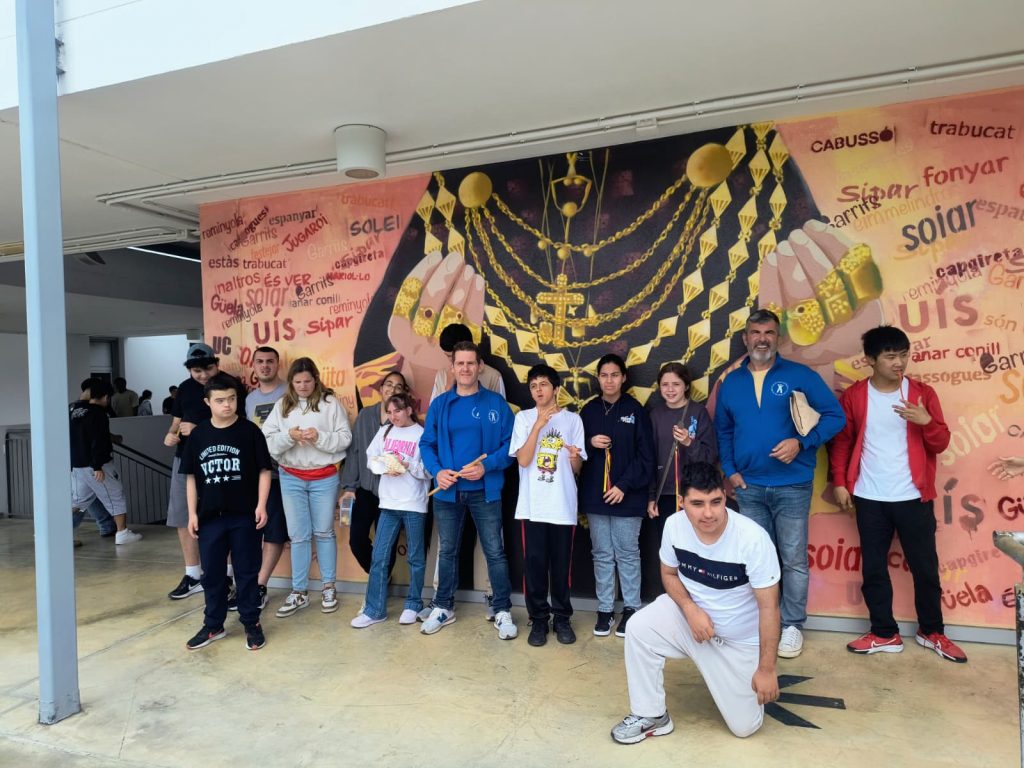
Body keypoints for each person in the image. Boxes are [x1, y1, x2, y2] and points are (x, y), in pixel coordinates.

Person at [611, 462, 780, 744]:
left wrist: (766, 669)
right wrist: (690, 610)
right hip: (692, 622)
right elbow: (668, 574)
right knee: (638, 626)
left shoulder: (752, 538)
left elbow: (769, 608)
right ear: (682, 502)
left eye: (716, 501)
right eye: (697, 504)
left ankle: (737, 677)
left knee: (744, 728)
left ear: (725, 497)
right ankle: (651, 715)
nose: (708, 513)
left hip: (737, 642)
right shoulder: (674, 525)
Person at [830, 325, 967, 663]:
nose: (899, 362)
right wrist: (840, 482)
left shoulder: (922, 393)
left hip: (913, 497)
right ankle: (884, 633)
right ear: (870, 360)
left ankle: (932, 631)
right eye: (890, 356)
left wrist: (925, 421)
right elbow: (843, 441)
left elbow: (941, 443)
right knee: (874, 569)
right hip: (869, 496)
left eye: (904, 355)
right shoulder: (855, 396)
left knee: (925, 568)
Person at [715, 309, 845, 659]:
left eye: (769, 333)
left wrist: (802, 443)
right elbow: (724, 431)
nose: (762, 339)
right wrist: (730, 470)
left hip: (792, 485)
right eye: (756, 333)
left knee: (793, 559)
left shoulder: (800, 375)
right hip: (749, 487)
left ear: (778, 337)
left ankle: (791, 626)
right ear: (745, 338)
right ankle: (761, 622)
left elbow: (836, 417)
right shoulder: (732, 382)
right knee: (756, 559)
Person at [419, 340, 518, 639]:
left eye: (470, 363)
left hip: (485, 490)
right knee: (448, 551)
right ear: (452, 368)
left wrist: (486, 466)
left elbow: (510, 446)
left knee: (494, 551)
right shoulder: (440, 404)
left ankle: (501, 609)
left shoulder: (495, 404)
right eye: (460, 363)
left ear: (480, 366)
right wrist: (437, 471)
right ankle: (443, 606)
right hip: (448, 491)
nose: (465, 368)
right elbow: (427, 444)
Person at [181, 373, 272, 651]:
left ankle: (251, 622)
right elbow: (191, 477)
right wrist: (192, 514)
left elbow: (264, 470)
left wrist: (261, 505)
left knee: (247, 572)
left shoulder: (250, 431)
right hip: (210, 517)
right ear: (207, 402)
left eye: (231, 399)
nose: (227, 405)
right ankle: (213, 624)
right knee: (212, 574)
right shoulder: (198, 435)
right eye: (220, 400)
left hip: (244, 515)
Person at [262, 357, 352, 618]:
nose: (303, 386)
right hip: (290, 476)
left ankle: (329, 587)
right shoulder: (282, 405)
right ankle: (299, 591)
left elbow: (345, 439)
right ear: (291, 382)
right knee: (298, 535)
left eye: (307, 381)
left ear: (316, 380)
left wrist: (319, 437)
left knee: (324, 532)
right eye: (298, 382)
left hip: (324, 476)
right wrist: (289, 437)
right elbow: (267, 441)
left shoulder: (330, 404)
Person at [579, 353, 654, 638]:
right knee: (601, 554)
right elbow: (574, 451)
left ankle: (631, 608)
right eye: (604, 375)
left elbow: (646, 457)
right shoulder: (588, 411)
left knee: (627, 553)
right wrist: (589, 442)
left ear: (623, 378)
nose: (609, 380)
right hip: (596, 496)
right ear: (598, 379)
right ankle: (605, 609)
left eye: (614, 375)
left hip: (627, 496)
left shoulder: (636, 410)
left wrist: (623, 485)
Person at [163, 343, 247, 600]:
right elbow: (177, 421)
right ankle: (193, 574)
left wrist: (198, 428)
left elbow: (238, 423)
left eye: (208, 369)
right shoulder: (185, 388)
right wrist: (171, 434)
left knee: (225, 515)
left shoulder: (230, 386)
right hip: (186, 459)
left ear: (217, 364)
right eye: (196, 371)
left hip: (221, 460)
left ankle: (228, 576)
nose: (203, 375)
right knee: (182, 515)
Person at [510, 364, 585, 646]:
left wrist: (575, 457)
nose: (538, 390)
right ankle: (539, 619)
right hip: (533, 506)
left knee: (562, 566)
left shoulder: (573, 420)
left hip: (562, 505)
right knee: (535, 565)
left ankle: (562, 618)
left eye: (543, 384)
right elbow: (523, 460)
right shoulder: (523, 418)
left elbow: (576, 468)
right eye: (533, 386)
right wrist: (538, 425)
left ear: (556, 388)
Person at [351, 391, 431, 627]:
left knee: (415, 557)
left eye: (398, 411)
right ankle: (375, 609)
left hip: (414, 503)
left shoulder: (422, 434)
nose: (393, 416)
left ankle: (413, 604)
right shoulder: (385, 431)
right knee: (379, 557)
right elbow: (371, 458)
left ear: (409, 410)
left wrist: (407, 465)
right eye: (389, 411)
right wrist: (385, 468)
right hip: (387, 503)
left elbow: (428, 470)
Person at [645, 362, 717, 597]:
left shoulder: (698, 412)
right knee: (668, 552)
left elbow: (710, 456)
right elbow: (648, 458)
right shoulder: (655, 415)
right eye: (665, 384)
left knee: (697, 550)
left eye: (676, 384)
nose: (670, 389)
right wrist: (651, 496)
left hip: (694, 495)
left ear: (686, 386)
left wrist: (688, 442)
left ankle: (698, 599)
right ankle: (671, 599)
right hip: (664, 496)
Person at [341, 371, 409, 576]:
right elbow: (355, 452)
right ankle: (379, 579)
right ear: (381, 388)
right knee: (356, 540)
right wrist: (350, 487)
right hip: (365, 490)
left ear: (404, 393)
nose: (392, 389)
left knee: (386, 544)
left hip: (391, 493)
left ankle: (379, 585)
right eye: (389, 384)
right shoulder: (365, 415)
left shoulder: (404, 422)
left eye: (398, 386)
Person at [69, 378, 143, 545]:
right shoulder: (98, 413)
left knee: (78, 501)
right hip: (97, 465)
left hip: (77, 464)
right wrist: (97, 466)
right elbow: (98, 439)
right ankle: (122, 533)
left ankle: (61, 534)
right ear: (104, 397)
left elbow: (84, 435)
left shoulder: (72, 409)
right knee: (116, 495)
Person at [243, 346, 289, 610]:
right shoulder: (249, 399)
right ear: (253, 365)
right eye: (260, 361)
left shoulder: (290, 392)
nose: (265, 366)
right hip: (254, 475)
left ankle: (260, 586)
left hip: (283, 474)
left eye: (270, 361)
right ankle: (247, 585)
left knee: (274, 531)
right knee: (250, 530)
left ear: (278, 363)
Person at [70, 377, 116, 539]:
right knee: (82, 499)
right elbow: (96, 436)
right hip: (87, 461)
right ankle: (61, 534)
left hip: (75, 459)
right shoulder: (93, 410)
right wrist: (97, 465)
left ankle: (106, 524)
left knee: (87, 496)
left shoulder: (73, 408)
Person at [429, 322, 506, 402]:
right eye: (449, 356)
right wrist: (448, 388)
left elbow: (500, 408)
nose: (453, 361)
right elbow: (434, 409)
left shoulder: (493, 377)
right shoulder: (442, 375)